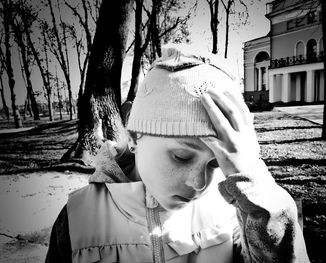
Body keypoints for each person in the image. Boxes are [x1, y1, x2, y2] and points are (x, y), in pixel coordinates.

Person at [45, 45, 310, 263]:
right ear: (136, 134)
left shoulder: (234, 214)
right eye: (182, 157)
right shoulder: (78, 218)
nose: (199, 184)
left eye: (216, 164)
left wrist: (255, 187)